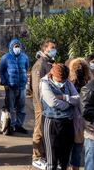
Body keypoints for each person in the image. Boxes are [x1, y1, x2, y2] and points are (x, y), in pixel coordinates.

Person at [40, 63, 80, 170]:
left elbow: (78, 99)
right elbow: (53, 103)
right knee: (52, 159)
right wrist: (69, 104)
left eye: (63, 80)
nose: (62, 82)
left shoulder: (67, 83)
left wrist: (64, 97)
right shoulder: (45, 83)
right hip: (51, 122)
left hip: (68, 122)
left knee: (65, 158)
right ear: (52, 75)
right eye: (59, 80)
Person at [31, 39, 56, 169]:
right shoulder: (40, 65)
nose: (54, 50)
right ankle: (36, 157)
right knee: (39, 129)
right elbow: (36, 88)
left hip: (48, 104)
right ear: (44, 49)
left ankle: (44, 155)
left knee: (46, 130)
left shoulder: (48, 63)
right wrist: (42, 106)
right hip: (41, 104)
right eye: (52, 48)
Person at [0, 39, 29, 135]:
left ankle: (18, 125)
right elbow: (1, 71)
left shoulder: (24, 57)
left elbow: (26, 68)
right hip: (11, 87)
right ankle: (11, 125)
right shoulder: (6, 57)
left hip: (22, 87)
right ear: (11, 47)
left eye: (18, 46)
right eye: (15, 46)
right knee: (10, 107)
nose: (17, 48)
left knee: (21, 107)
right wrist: (5, 82)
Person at [68, 58, 91, 170]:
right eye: (77, 67)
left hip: (83, 117)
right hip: (70, 117)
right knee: (69, 144)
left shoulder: (89, 82)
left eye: (81, 67)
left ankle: (75, 167)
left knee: (79, 144)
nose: (79, 69)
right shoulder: (68, 82)